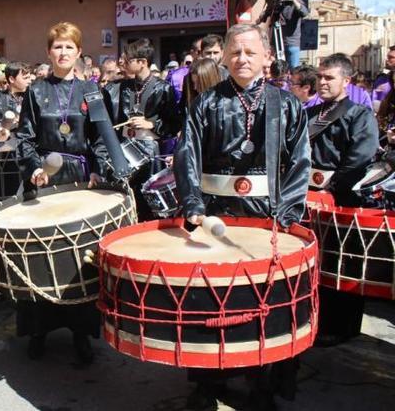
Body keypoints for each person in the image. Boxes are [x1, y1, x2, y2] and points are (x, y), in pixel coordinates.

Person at [175, 23, 309, 410]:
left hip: (267, 217)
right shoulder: (206, 103)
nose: (242, 58)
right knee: (211, 305)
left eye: (251, 52)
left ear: (268, 57)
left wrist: (287, 214)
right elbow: (188, 157)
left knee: (264, 303)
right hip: (218, 217)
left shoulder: (286, 105)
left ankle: (263, 383)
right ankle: (207, 383)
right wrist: (195, 206)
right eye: (235, 52)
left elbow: (299, 162)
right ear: (224, 57)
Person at [14, 22, 119, 365]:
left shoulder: (92, 90)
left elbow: (103, 137)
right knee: (40, 255)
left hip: (81, 178)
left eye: (69, 47)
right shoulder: (35, 91)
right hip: (46, 179)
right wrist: (33, 169)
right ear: (48, 52)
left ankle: (81, 333)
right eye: (57, 47)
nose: (62, 53)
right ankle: (38, 331)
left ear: (78, 51)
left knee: (80, 258)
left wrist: (97, 169)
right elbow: (26, 139)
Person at [308, 55, 379, 350]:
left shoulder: (359, 114)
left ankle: (342, 328)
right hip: (311, 197)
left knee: (343, 264)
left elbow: (360, 157)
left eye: (330, 78)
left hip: (342, 197)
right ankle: (319, 321)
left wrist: (333, 188)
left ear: (346, 81)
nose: (322, 82)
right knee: (319, 263)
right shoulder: (313, 113)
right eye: (321, 77)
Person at [115, 38, 180, 219]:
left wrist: (151, 124)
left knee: (148, 193)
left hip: (150, 147)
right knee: (127, 193)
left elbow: (174, 124)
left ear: (142, 62)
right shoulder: (125, 87)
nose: (124, 63)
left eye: (128, 60)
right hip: (126, 144)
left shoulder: (163, 88)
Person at [258, 0, 308, 68]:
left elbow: (304, 13)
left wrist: (293, 0)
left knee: (293, 69)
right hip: (276, 42)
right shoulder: (277, 2)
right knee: (277, 69)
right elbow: (262, 18)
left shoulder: (297, 2)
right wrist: (270, 4)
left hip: (292, 43)